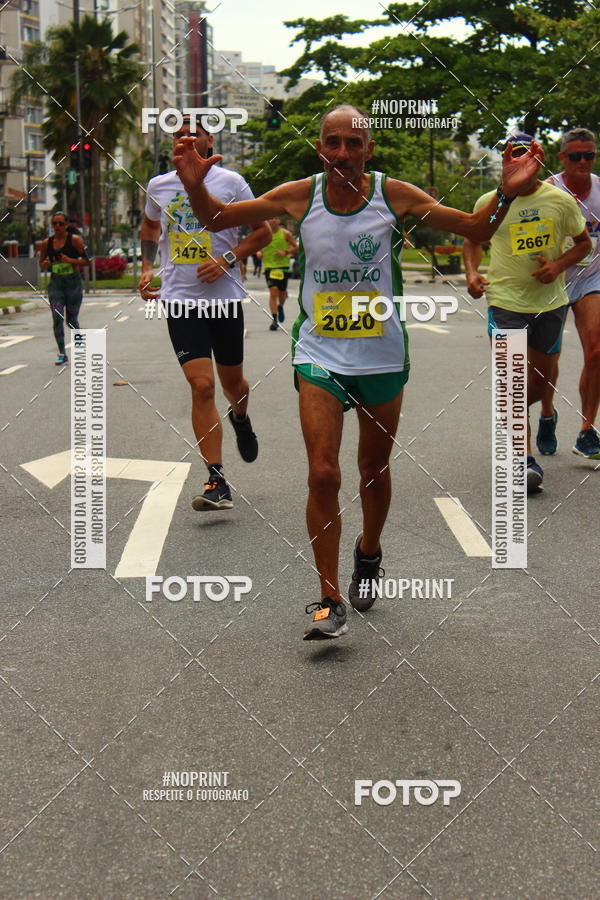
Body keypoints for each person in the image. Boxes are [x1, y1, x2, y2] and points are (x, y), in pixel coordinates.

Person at [174, 104, 543, 640]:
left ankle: (368, 551)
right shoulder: (300, 195)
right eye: (333, 142)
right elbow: (216, 219)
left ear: (369, 148)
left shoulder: (394, 195)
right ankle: (329, 597)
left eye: (353, 143)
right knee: (323, 473)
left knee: (373, 469)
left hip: (381, 356)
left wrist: (506, 193)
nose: (343, 152)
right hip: (319, 353)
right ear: (320, 147)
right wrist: (193, 186)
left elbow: (474, 226)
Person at [138, 117, 271, 511]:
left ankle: (240, 417)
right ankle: (217, 479)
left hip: (224, 299)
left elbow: (263, 232)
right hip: (180, 300)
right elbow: (150, 226)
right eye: (178, 135)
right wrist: (146, 267)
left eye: (194, 134)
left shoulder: (231, 182)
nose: (186, 139)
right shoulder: (160, 185)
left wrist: (227, 258)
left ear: (210, 141)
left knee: (234, 384)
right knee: (201, 386)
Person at [463, 133, 591, 492]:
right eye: (513, 156)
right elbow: (472, 240)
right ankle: (523, 458)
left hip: (549, 304)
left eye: (527, 156)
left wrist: (558, 265)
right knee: (513, 382)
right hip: (505, 302)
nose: (521, 162)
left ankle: (530, 413)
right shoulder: (491, 201)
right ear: (506, 161)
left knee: (539, 383)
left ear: (540, 159)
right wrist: (472, 274)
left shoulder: (560, 201)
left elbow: (583, 244)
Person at [541, 127, 600, 459]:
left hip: (592, 278)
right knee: (549, 357)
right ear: (562, 157)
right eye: (575, 156)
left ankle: (586, 431)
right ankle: (547, 412)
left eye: (589, 155)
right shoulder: (548, 191)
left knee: (596, 351)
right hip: (555, 280)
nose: (583, 161)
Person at [38, 210, 89, 366]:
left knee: (71, 320)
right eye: (54, 223)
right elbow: (42, 263)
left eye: (60, 223)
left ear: (66, 225)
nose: (57, 226)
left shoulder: (75, 240)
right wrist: (45, 264)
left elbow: (87, 260)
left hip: (73, 283)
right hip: (56, 284)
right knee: (57, 318)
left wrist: (71, 261)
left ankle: (80, 347)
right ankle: (62, 353)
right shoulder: (46, 243)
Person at [261, 216, 298, 330]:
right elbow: (257, 245)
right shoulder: (263, 233)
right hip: (269, 267)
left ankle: (280, 306)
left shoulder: (285, 234)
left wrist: (285, 252)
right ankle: (274, 319)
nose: (273, 220)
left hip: (283, 267)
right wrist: (259, 252)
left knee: (282, 293)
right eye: (270, 218)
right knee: (273, 291)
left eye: (275, 218)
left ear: (279, 220)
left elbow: (296, 247)